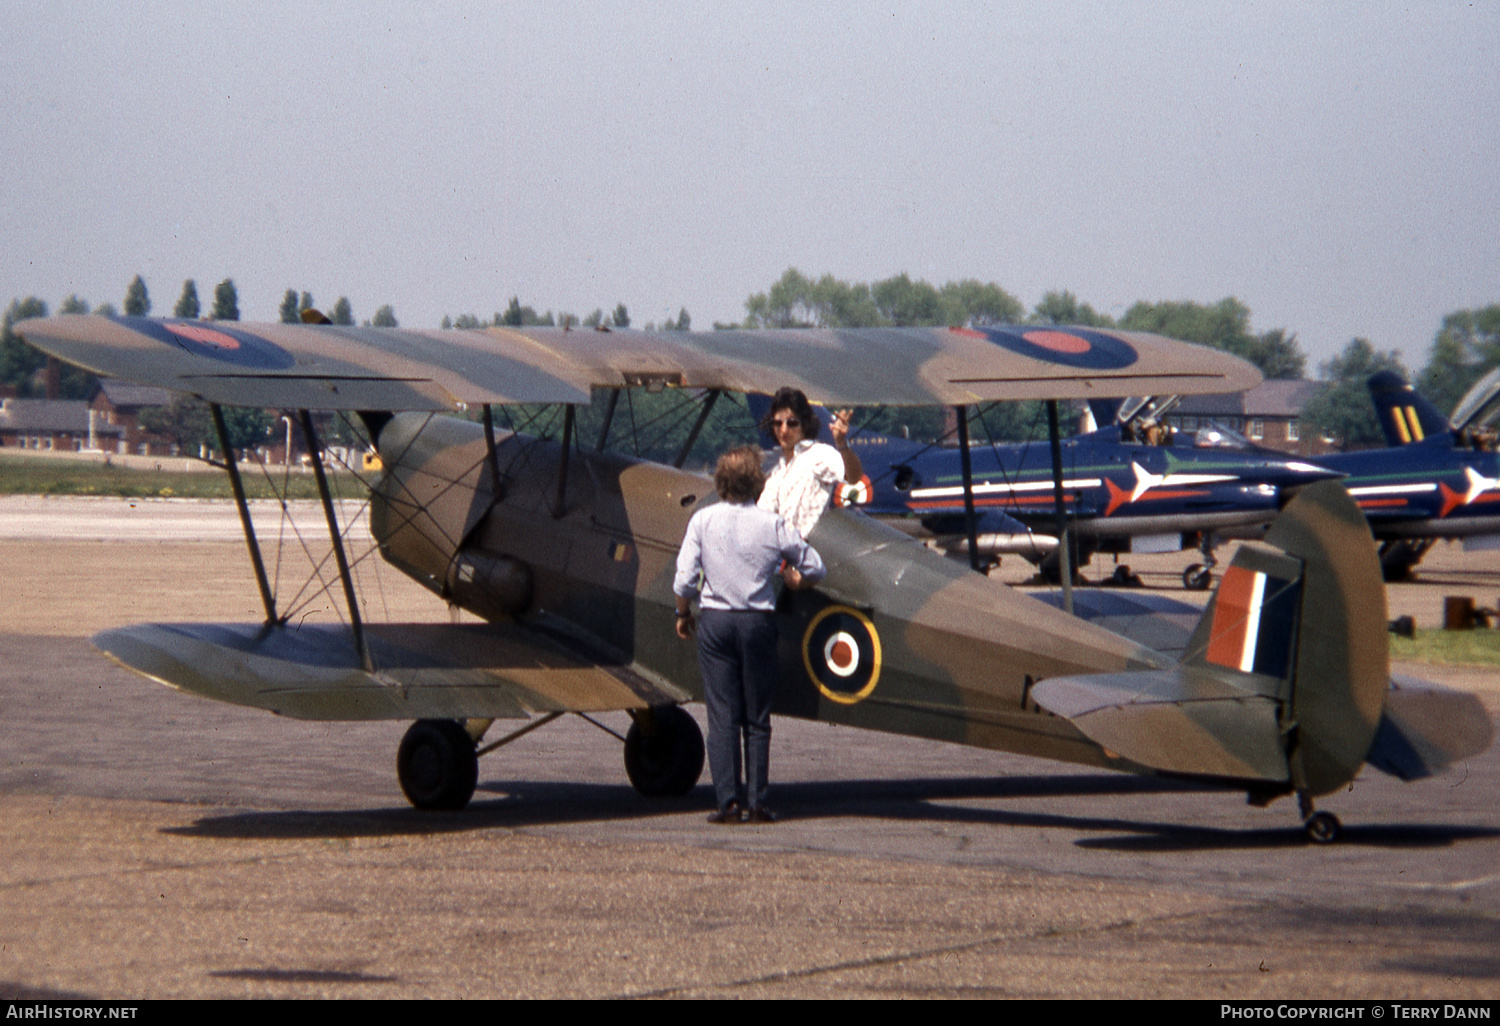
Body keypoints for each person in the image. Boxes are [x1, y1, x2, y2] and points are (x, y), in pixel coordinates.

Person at [673, 446, 825, 825]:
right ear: (758, 483)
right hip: (757, 622)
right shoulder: (771, 524)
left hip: (717, 622)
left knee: (722, 715)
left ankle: (728, 803)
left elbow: (684, 580)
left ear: (721, 482)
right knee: (757, 717)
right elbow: (816, 567)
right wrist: (795, 578)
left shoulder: (703, 520)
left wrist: (682, 613)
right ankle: (758, 803)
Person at [758, 387, 864, 539]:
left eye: (792, 423)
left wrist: (841, 443)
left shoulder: (818, 454)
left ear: (804, 424)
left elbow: (853, 477)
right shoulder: (775, 475)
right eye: (778, 423)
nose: (784, 430)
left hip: (808, 552)